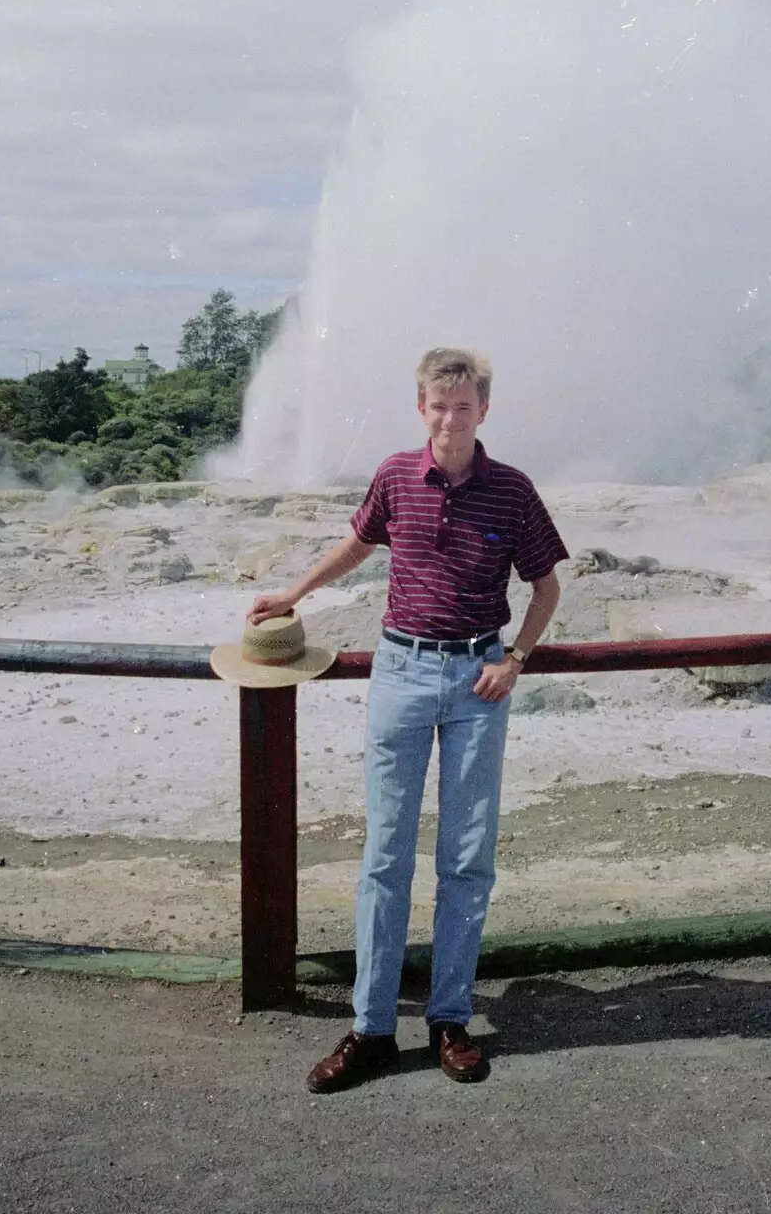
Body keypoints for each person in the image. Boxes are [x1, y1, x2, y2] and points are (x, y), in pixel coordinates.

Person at [247, 347, 567, 1090]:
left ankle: (450, 1019)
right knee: (385, 854)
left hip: (478, 680)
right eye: (438, 406)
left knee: (465, 856)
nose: (450, 420)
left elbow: (547, 587)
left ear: (483, 411)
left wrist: (514, 657)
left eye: (463, 407)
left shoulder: (512, 491)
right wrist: (293, 594)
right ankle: (372, 1027)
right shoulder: (396, 475)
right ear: (420, 407)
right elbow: (357, 545)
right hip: (400, 670)